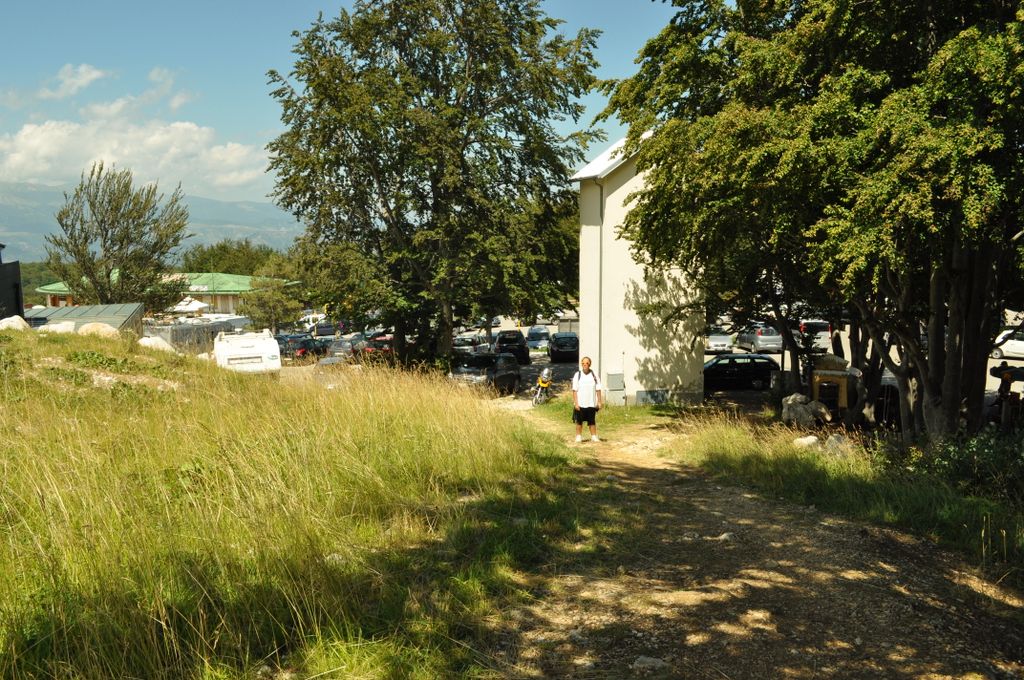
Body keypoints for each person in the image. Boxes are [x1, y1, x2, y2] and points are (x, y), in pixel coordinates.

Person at [572, 356, 604, 442]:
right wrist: (576, 403)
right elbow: (574, 390)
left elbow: (598, 389)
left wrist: (599, 402)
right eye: (583, 363)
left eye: (587, 363)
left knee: (592, 421)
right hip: (581, 403)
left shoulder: (594, 375)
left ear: (590, 364)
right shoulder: (577, 375)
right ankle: (578, 437)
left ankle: (594, 436)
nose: (585, 364)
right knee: (579, 421)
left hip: (591, 403)